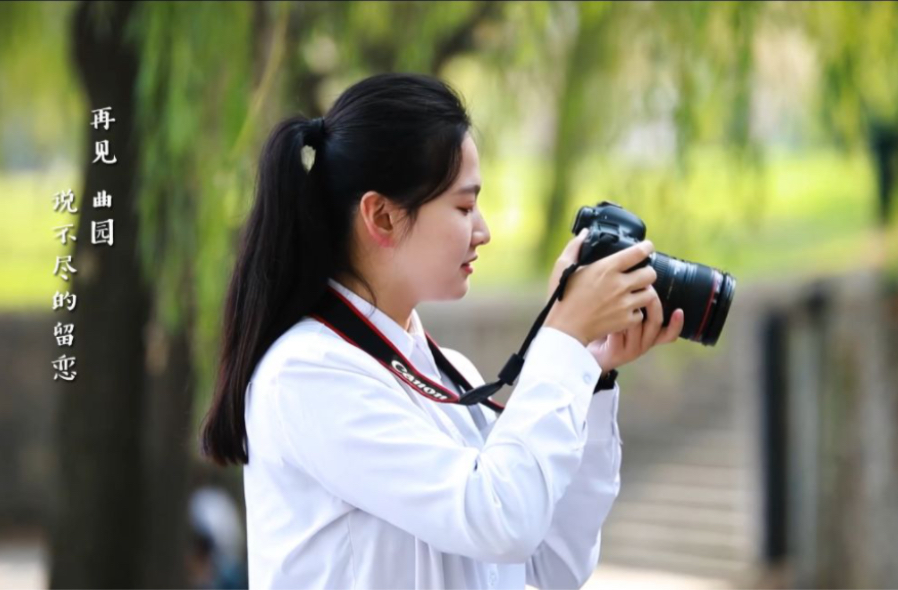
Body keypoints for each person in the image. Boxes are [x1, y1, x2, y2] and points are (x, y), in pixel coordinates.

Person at [200, 72, 685, 589]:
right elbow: (499, 518)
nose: (484, 230)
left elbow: (547, 570)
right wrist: (560, 340)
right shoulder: (307, 374)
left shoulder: (446, 373)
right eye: (463, 205)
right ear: (381, 216)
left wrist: (589, 369)